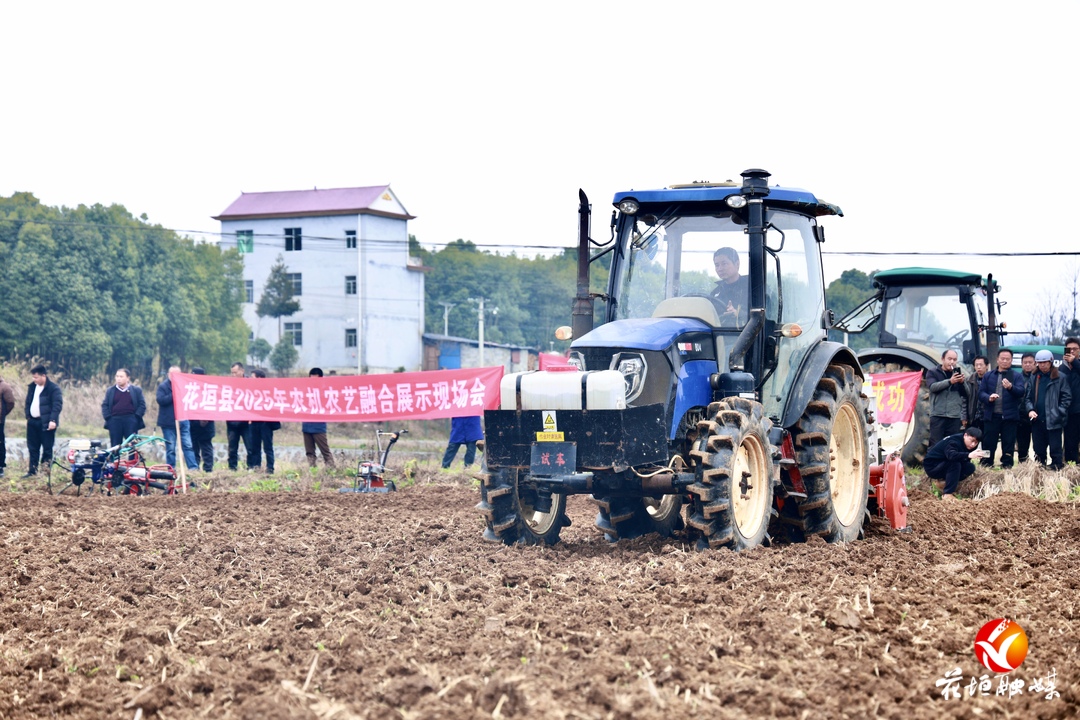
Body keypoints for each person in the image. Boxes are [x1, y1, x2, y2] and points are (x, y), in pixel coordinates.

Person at [977, 348, 1025, 469]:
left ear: (1011, 361)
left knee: (1008, 444)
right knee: (988, 443)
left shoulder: (1016, 376)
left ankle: (1007, 466)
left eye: (1007, 359)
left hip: (1009, 417)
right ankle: (986, 465)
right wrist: (989, 397)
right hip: (991, 415)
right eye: (1002, 359)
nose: (1004, 361)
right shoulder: (988, 376)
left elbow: (1021, 392)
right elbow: (981, 393)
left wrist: (1010, 387)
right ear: (997, 360)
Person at [1024, 349, 1072, 470]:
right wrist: (1030, 410)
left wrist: (1059, 412)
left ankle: (1057, 474)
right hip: (1037, 420)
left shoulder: (1060, 377)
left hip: (1054, 420)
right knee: (1038, 451)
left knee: (1056, 451)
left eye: (1045, 362)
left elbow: (1067, 397)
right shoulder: (1034, 377)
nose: (1042, 365)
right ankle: (1039, 474)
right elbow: (1028, 397)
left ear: (1051, 362)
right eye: (1040, 362)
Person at [924, 427, 986, 500]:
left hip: (945, 463)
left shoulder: (969, 446)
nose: (973, 444)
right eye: (972, 440)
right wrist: (968, 455)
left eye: (976, 442)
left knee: (970, 467)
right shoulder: (953, 441)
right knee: (955, 464)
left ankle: (943, 483)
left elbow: (964, 460)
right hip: (933, 466)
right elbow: (951, 455)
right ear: (965, 435)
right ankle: (947, 494)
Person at [24, 365, 63, 477]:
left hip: (46, 423)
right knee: (33, 448)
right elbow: (28, 402)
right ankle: (32, 471)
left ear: (43, 376)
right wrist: (28, 416)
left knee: (47, 448)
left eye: (36, 377)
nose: (34, 379)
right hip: (32, 422)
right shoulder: (32, 387)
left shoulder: (53, 389)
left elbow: (57, 405)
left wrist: (53, 420)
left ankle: (45, 472)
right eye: (33, 377)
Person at [156, 366, 197, 471]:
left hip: (184, 420)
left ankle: (193, 468)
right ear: (168, 374)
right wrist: (174, 393)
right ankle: (171, 469)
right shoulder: (163, 387)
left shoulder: (185, 386)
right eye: (172, 374)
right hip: (168, 422)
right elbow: (161, 400)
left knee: (188, 445)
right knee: (171, 448)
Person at [926, 349, 968, 446]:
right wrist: (950, 381)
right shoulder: (933, 372)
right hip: (938, 415)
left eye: (954, 359)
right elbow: (933, 387)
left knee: (952, 444)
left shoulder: (957, 373)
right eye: (949, 359)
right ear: (942, 359)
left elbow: (966, 394)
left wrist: (962, 383)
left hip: (954, 416)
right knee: (936, 444)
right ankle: (935, 461)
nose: (952, 362)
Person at [102, 368, 147, 452]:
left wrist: (136, 418)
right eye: (117, 376)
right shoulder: (110, 391)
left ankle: (132, 464)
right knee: (115, 446)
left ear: (128, 378)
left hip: (130, 421)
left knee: (132, 445)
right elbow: (105, 405)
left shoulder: (136, 390)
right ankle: (115, 463)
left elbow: (142, 405)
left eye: (121, 376)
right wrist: (109, 418)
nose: (118, 378)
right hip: (115, 421)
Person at [248, 369, 280, 474]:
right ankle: (257, 467)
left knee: (268, 447)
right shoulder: (250, 391)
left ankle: (270, 468)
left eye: (253, 377)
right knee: (255, 447)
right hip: (254, 421)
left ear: (259, 378)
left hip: (266, 423)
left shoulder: (269, 390)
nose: (251, 380)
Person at [302, 367, 336, 468]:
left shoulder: (325, 391)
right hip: (306, 424)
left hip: (319, 425)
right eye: (311, 378)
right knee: (309, 451)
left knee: (325, 451)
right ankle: (312, 470)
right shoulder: (306, 390)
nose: (313, 381)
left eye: (315, 379)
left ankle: (331, 469)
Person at [226, 362, 256, 471]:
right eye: (232, 373)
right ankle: (232, 468)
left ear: (242, 371)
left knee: (250, 447)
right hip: (232, 422)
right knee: (232, 448)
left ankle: (251, 467)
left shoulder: (250, 384)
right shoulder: (228, 384)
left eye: (235, 373)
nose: (233, 375)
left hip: (246, 422)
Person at [709, 247, 750, 325]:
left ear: (737, 264)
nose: (720, 269)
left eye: (724, 264)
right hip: (720, 334)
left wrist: (738, 313)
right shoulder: (715, 294)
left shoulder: (752, 288)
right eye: (717, 265)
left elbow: (764, 315)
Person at [188, 367, 216, 472]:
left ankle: (208, 469)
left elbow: (212, 405)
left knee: (206, 448)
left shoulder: (209, 388)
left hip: (206, 425)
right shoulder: (189, 388)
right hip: (193, 424)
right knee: (194, 448)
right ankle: (195, 468)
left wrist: (206, 419)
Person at [1058, 337, 1080, 464]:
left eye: (1075, 349)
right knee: (1070, 442)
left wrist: (1075, 362)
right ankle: (1072, 468)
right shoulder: (1062, 368)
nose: (1072, 352)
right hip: (1068, 411)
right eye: (1069, 349)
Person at [1014, 352, 1036, 463]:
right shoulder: (1017, 378)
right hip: (1021, 416)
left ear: (1035, 363)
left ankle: (1040, 467)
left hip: (1037, 415)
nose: (1028, 365)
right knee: (1022, 447)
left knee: (1039, 446)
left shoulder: (1039, 376)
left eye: (1030, 362)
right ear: (1021, 364)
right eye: (1025, 362)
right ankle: (1023, 467)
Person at [964, 355, 988, 431]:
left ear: (987, 366)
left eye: (981, 365)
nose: (978, 367)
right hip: (973, 417)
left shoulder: (992, 379)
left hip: (987, 417)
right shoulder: (969, 380)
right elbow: (964, 399)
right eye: (976, 365)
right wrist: (964, 417)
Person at [0, 377, 15, 479]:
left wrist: (2, 414)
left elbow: (10, 403)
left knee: (0, 443)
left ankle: (0, 466)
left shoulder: (4, 387)